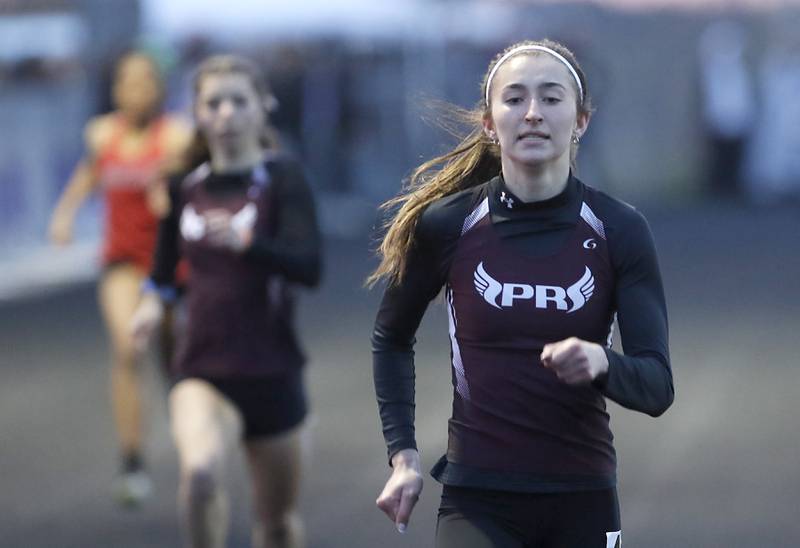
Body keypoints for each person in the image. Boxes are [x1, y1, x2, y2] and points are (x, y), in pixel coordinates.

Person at [368, 39, 674, 547]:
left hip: (582, 495)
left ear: (581, 120)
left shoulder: (619, 229)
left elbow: (658, 386)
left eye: (551, 98)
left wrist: (601, 362)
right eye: (514, 99)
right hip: (477, 498)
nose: (532, 113)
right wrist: (403, 456)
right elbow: (391, 337)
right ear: (489, 122)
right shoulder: (449, 225)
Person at [130, 54, 321, 548]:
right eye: (213, 103)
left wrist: (248, 245)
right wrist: (151, 305)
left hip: (271, 369)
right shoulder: (184, 187)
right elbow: (162, 274)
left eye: (239, 101)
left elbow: (310, 268)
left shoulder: (282, 180)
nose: (226, 114)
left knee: (276, 524)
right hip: (202, 367)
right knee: (199, 475)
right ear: (197, 112)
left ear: (262, 107)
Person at [48, 51, 191, 506]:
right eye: (128, 82)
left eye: (145, 81)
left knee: (172, 359)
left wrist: (170, 193)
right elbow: (89, 173)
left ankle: (191, 443)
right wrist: (65, 213)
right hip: (122, 260)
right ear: (115, 89)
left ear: (159, 88)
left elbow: (195, 184)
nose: (137, 90)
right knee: (128, 347)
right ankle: (131, 459)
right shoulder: (101, 132)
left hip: (168, 263)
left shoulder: (176, 136)